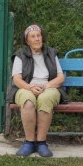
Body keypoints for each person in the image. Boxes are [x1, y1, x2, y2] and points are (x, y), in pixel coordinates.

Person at [7, 24, 66, 157]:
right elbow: (16, 79)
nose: (37, 39)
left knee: (45, 99)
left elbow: (61, 77)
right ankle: (29, 142)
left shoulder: (51, 53)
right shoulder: (20, 55)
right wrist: (30, 87)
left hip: (49, 87)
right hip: (26, 87)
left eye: (38, 36)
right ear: (27, 41)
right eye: (33, 37)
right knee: (28, 102)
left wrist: (45, 86)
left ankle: (41, 143)